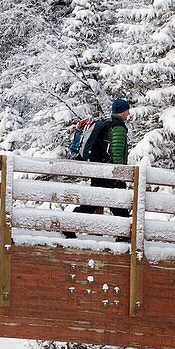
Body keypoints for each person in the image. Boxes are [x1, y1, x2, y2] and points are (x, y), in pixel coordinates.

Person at [64, 99, 131, 242]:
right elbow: (118, 153)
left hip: (100, 170)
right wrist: (118, 176)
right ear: (122, 111)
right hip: (108, 173)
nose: (129, 113)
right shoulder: (118, 128)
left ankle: (69, 225)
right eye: (127, 110)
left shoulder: (108, 123)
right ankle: (126, 234)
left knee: (93, 203)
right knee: (116, 203)